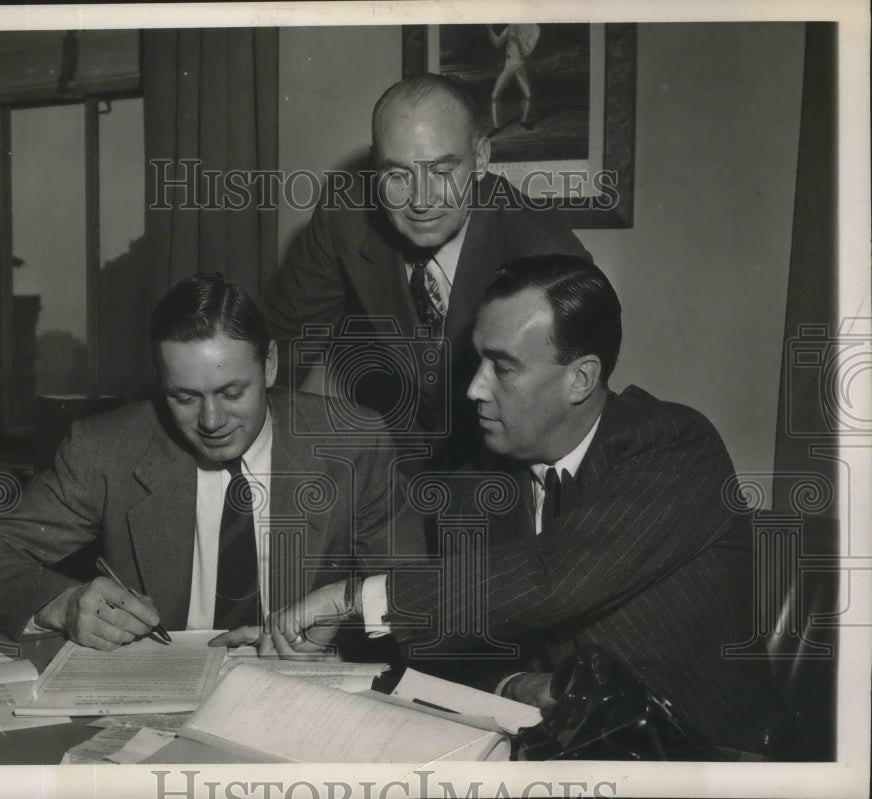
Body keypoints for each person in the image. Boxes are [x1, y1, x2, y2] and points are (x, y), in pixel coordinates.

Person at [221, 254, 781, 753]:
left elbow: (551, 576)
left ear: (581, 378)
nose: (474, 389)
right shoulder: (475, 483)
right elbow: (461, 640)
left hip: (714, 761)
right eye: (477, 362)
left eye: (503, 367)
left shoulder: (673, 446)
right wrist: (324, 649)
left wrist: (349, 599)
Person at [0, 273, 421, 651]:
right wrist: (64, 604)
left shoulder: (351, 441)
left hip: (306, 687)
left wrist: (341, 620)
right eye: (185, 397)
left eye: (232, 392)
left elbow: (417, 592)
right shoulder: (105, 449)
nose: (211, 421)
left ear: (270, 365)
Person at [260, 72, 589, 467]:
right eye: (398, 175)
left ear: (481, 159)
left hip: (507, 464)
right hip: (393, 455)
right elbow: (279, 345)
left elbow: (563, 415)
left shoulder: (546, 254)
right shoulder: (343, 219)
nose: (420, 200)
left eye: (442, 171)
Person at [486, 23, 542, 134]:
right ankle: (496, 127)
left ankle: (524, 121)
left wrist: (517, 37)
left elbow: (526, 52)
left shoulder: (535, 28)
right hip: (509, 65)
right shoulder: (513, 24)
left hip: (521, 65)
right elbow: (497, 43)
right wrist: (489, 29)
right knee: (494, 96)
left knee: (528, 95)